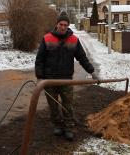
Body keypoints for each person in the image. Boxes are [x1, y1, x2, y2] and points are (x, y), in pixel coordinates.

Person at [35, 11, 98, 141]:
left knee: (68, 104)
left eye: (65, 24)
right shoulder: (47, 38)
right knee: (53, 105)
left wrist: (91, 71)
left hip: (66, 79)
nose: (63, 27)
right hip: (49, 80)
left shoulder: (74, 40)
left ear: (68, 25)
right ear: (56, 24)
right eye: (61, 24)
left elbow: (82, 58)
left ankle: (69, 127)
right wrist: (39, 77)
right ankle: (57, 125)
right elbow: (39, 59)